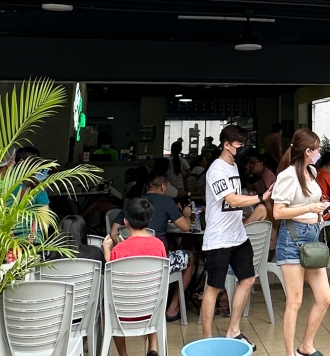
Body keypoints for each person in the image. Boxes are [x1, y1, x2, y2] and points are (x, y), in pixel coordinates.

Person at [200, 124, 273, 348]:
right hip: (218, 238)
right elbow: (231, 200)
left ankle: (234, 329)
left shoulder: (233, 167)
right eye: (238, 145)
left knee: (248, 279)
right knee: (213, 287)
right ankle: (207, 338)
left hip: (238, 236)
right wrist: (261, 197)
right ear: (226, 145)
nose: (242, 149)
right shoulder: (217, 169)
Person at [272, 129, 330, 356]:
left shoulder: (311, 171)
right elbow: (278, 212)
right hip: (292, 237)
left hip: (312, 233)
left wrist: (321, 209)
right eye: (317, 149)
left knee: (324, 297)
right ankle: (290, 353)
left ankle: (306, 344)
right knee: (295, 301)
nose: (319, 153)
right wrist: (309, 208)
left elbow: (311, 201)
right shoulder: (288, 175)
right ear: (308, 151)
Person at [110, 175, 194, 321]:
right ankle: (173, 308)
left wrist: (128, 249)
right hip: (158, 264)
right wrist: (186, 214)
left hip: (129, 263)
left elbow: (113, 233)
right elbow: (185, 227)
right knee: (190, 256)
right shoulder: (166, 201)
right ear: (163, 187)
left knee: (173, 244)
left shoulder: (133, 203)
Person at [103, 197, 167, 356]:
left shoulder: (120, 249)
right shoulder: (159, 245)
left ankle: (124, 355)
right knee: (152, 295)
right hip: (152, 312)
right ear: (149, 219)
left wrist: (106, 251)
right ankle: (153, 347)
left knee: (111, 307)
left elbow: (111, 276)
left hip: (123, 315)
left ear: (126, 221)